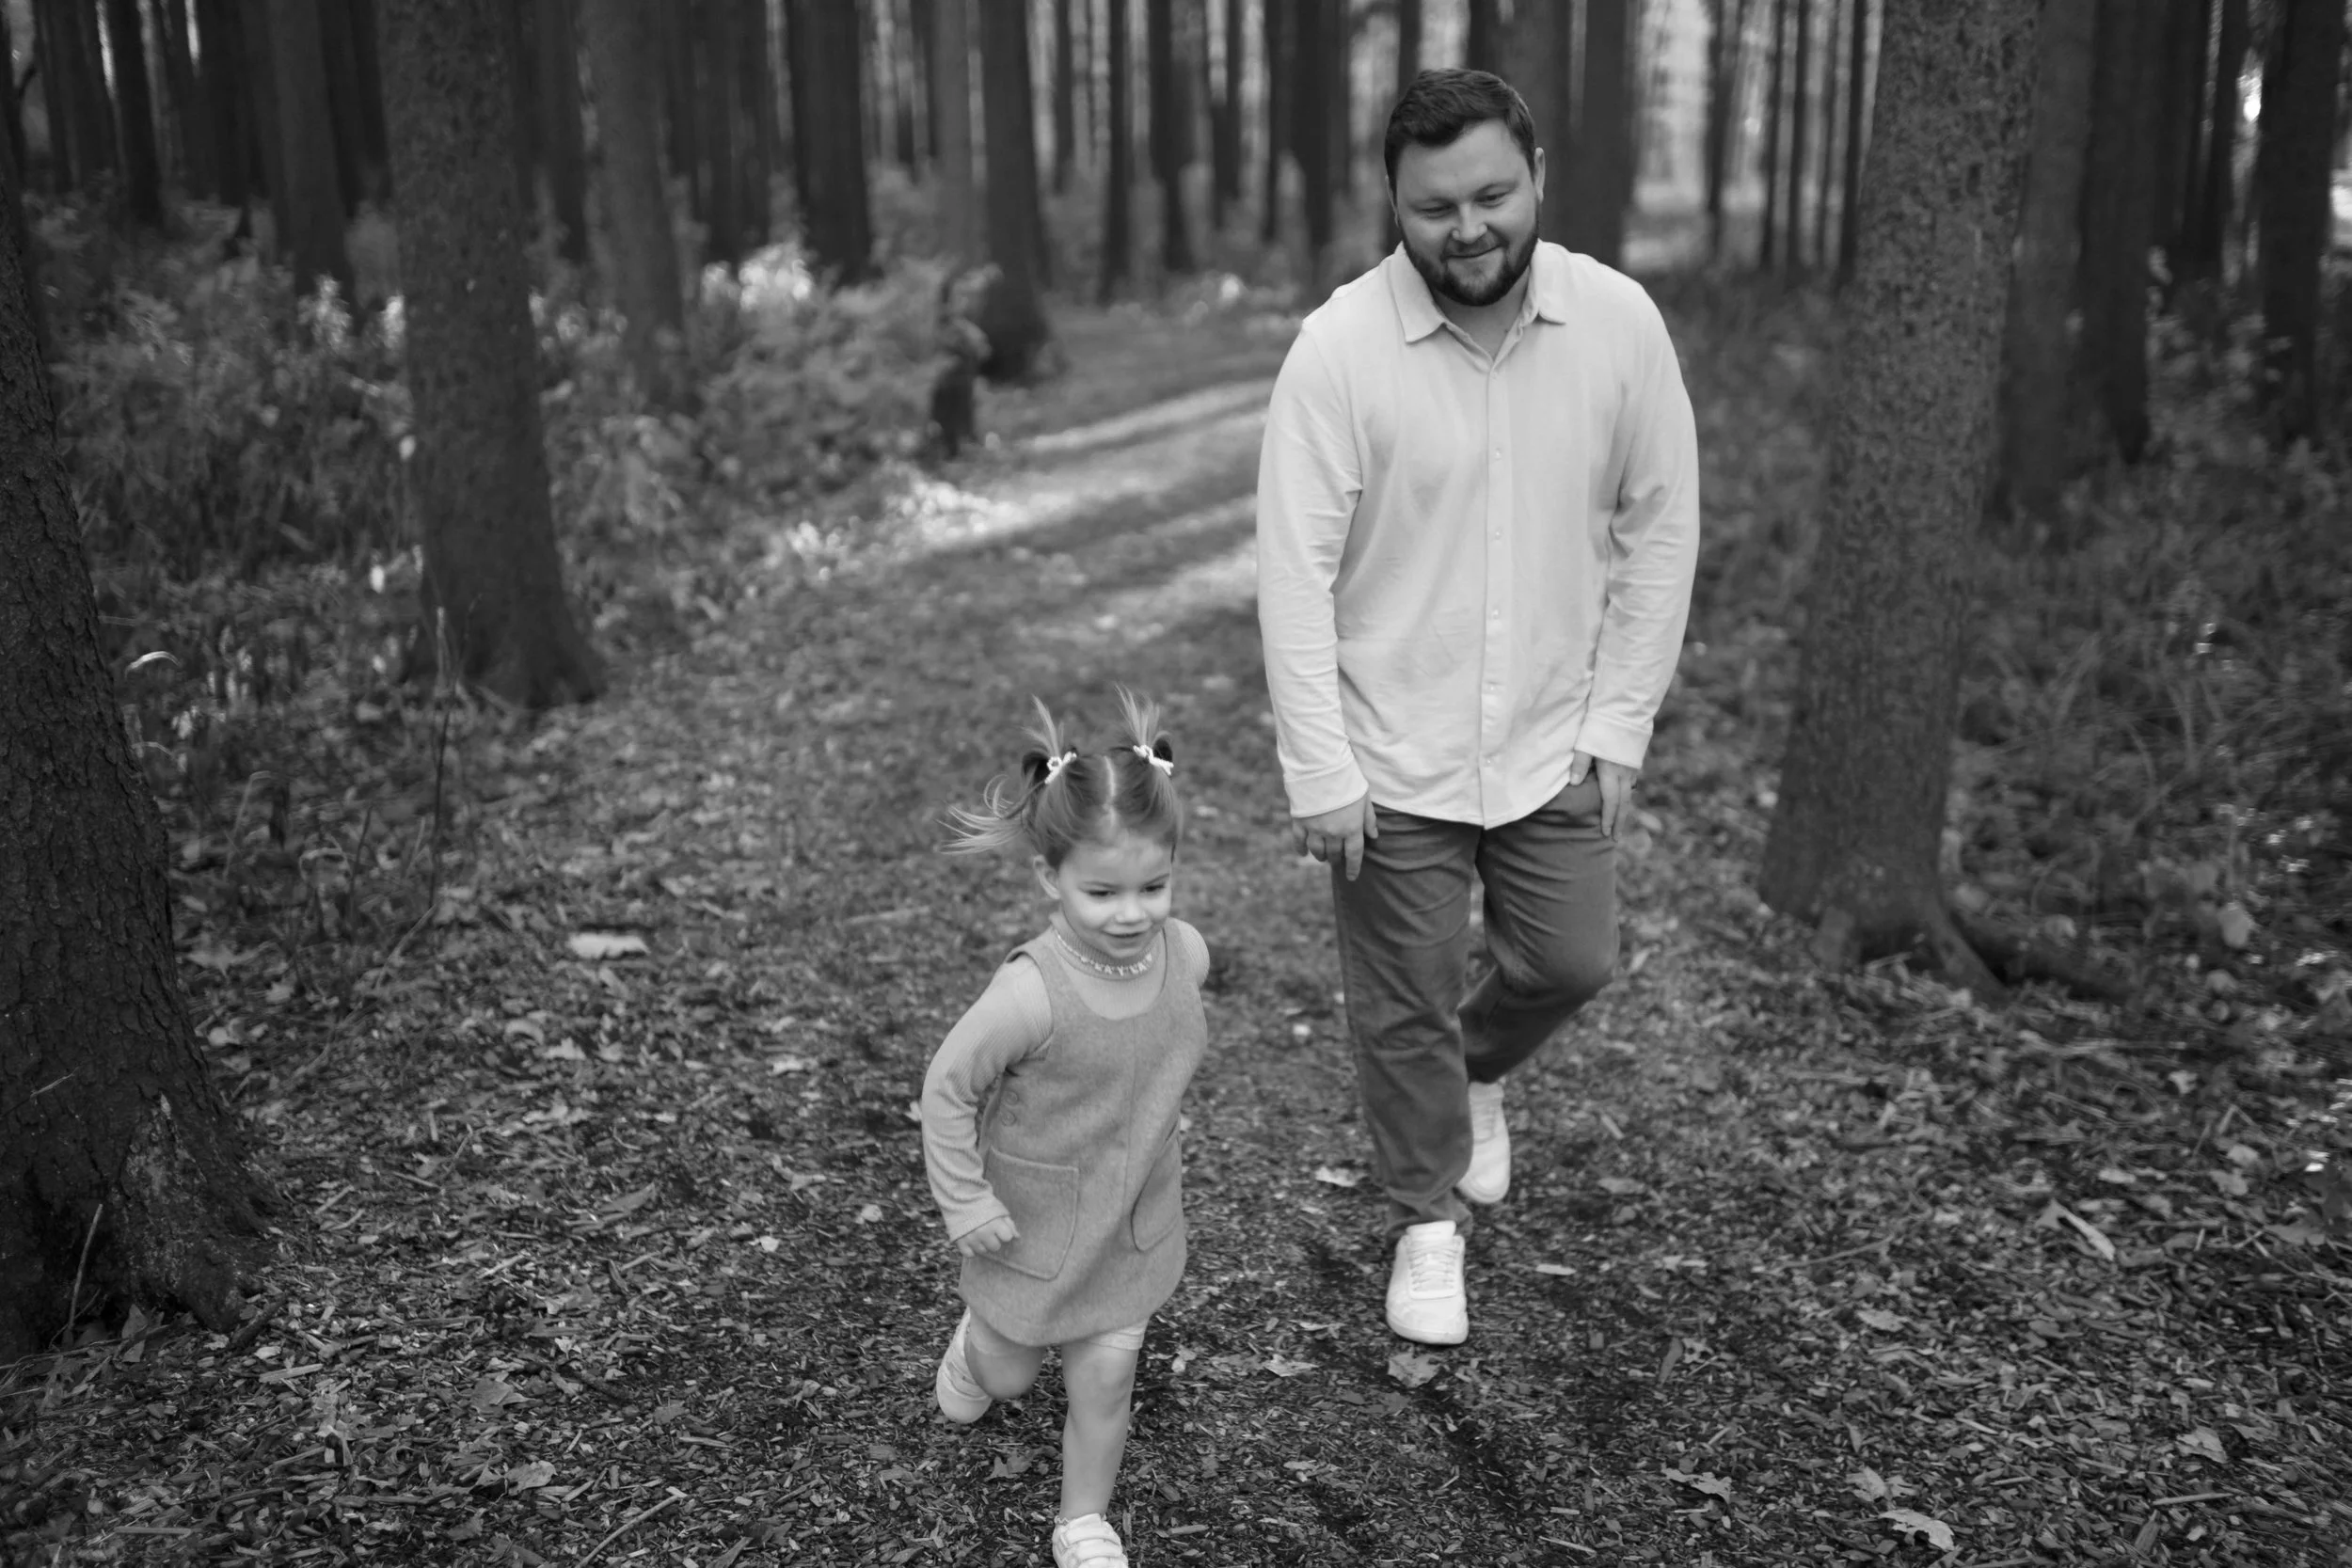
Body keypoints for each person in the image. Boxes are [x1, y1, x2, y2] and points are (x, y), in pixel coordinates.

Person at [1254, 68, 1699, 1346]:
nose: (1469, 227)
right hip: (1392, 743)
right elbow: (1294, 572)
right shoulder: (1340, 349)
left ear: (1538, 177)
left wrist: (1622, 724)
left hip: (1554, 732)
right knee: (1399, 997)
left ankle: (1478, 1067)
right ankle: (1425, 1220)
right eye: (1435, 204)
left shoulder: (1618, 325)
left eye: (1493, 194)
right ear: (1394, 202)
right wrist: (1320, 770)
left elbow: (1662, 529)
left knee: (1571, 957)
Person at [920, 693, 1209, 1568]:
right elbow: (946, 1086)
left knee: (1107, 1376)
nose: (1132, 912)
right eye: (1102, 891)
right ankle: (975, 1353)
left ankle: (1083, 1518)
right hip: (1034, 1230)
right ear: (1050, 878)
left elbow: (1159, 1042)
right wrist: (964, 1200)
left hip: (1130, 1224)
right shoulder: (1030, 992)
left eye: (1152, 887)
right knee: (1010, 1375)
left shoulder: (1184, 955)